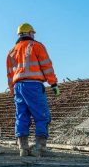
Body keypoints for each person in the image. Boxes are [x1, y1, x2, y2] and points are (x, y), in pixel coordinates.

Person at [6, 23, 60, 157]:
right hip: (33, 85)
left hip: (18, 86)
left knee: (21, 116)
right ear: (29, 33)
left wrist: (13, 90)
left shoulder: (12, 51)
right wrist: (53, 84)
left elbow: (10, 74)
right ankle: (40, 147)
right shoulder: (36, 46)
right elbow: (46, 66)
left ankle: (23, 148)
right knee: (42, 116)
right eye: (33, 33)